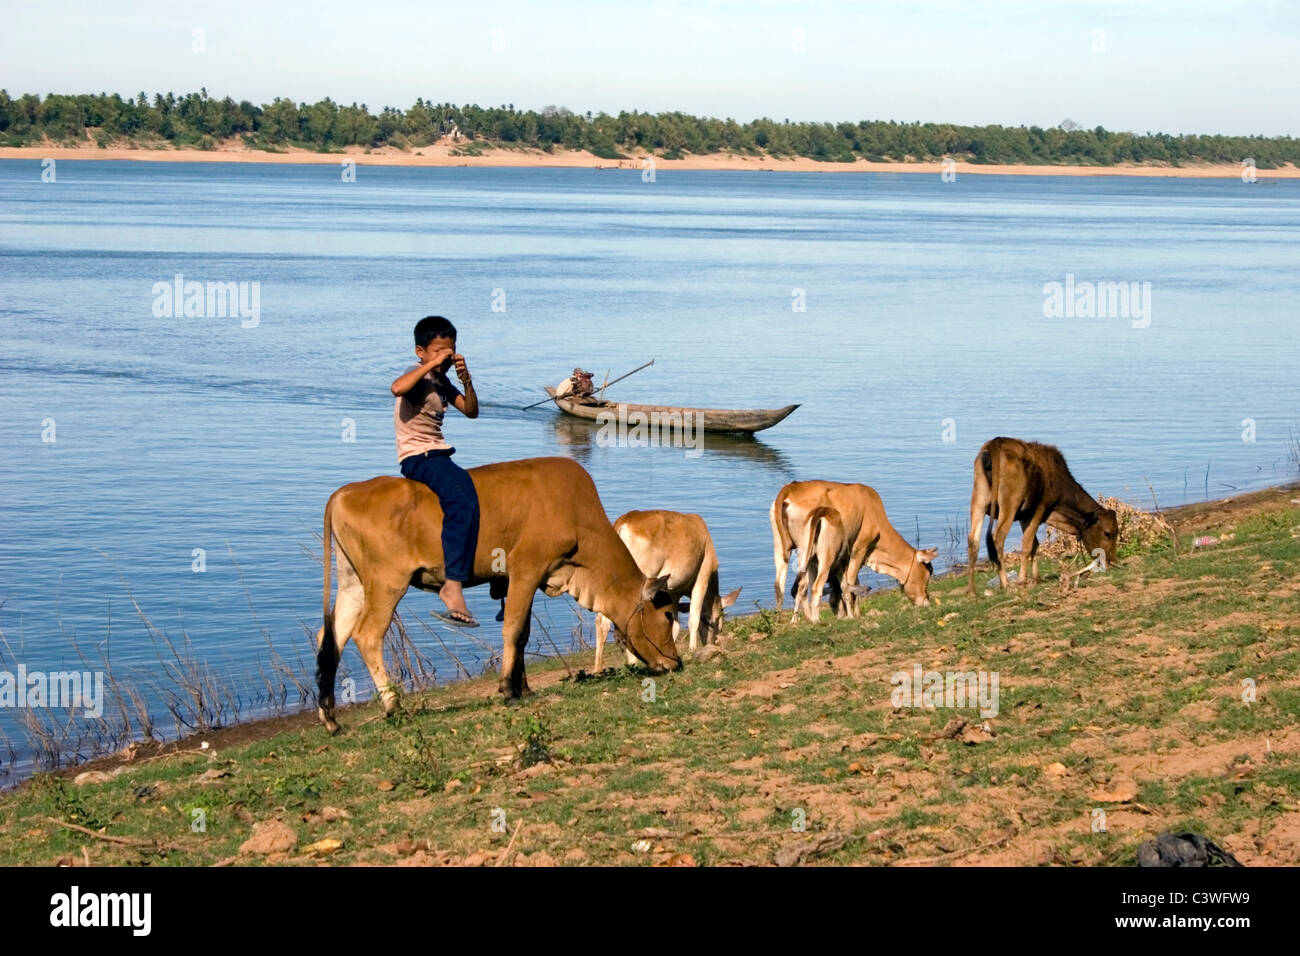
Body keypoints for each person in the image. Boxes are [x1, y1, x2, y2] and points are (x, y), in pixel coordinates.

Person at [391, 315, 480, 626]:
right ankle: (452, 584)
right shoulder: (415, 376)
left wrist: (466, 379)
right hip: (419, 456)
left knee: (471, 489)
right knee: (462, 498)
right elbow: (396, 388)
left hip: (438, 453)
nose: (446, 356)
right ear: (420, 351)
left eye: (451, 350)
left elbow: (471, 412)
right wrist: (430, 367)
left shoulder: (442, 382)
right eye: (439, 350)